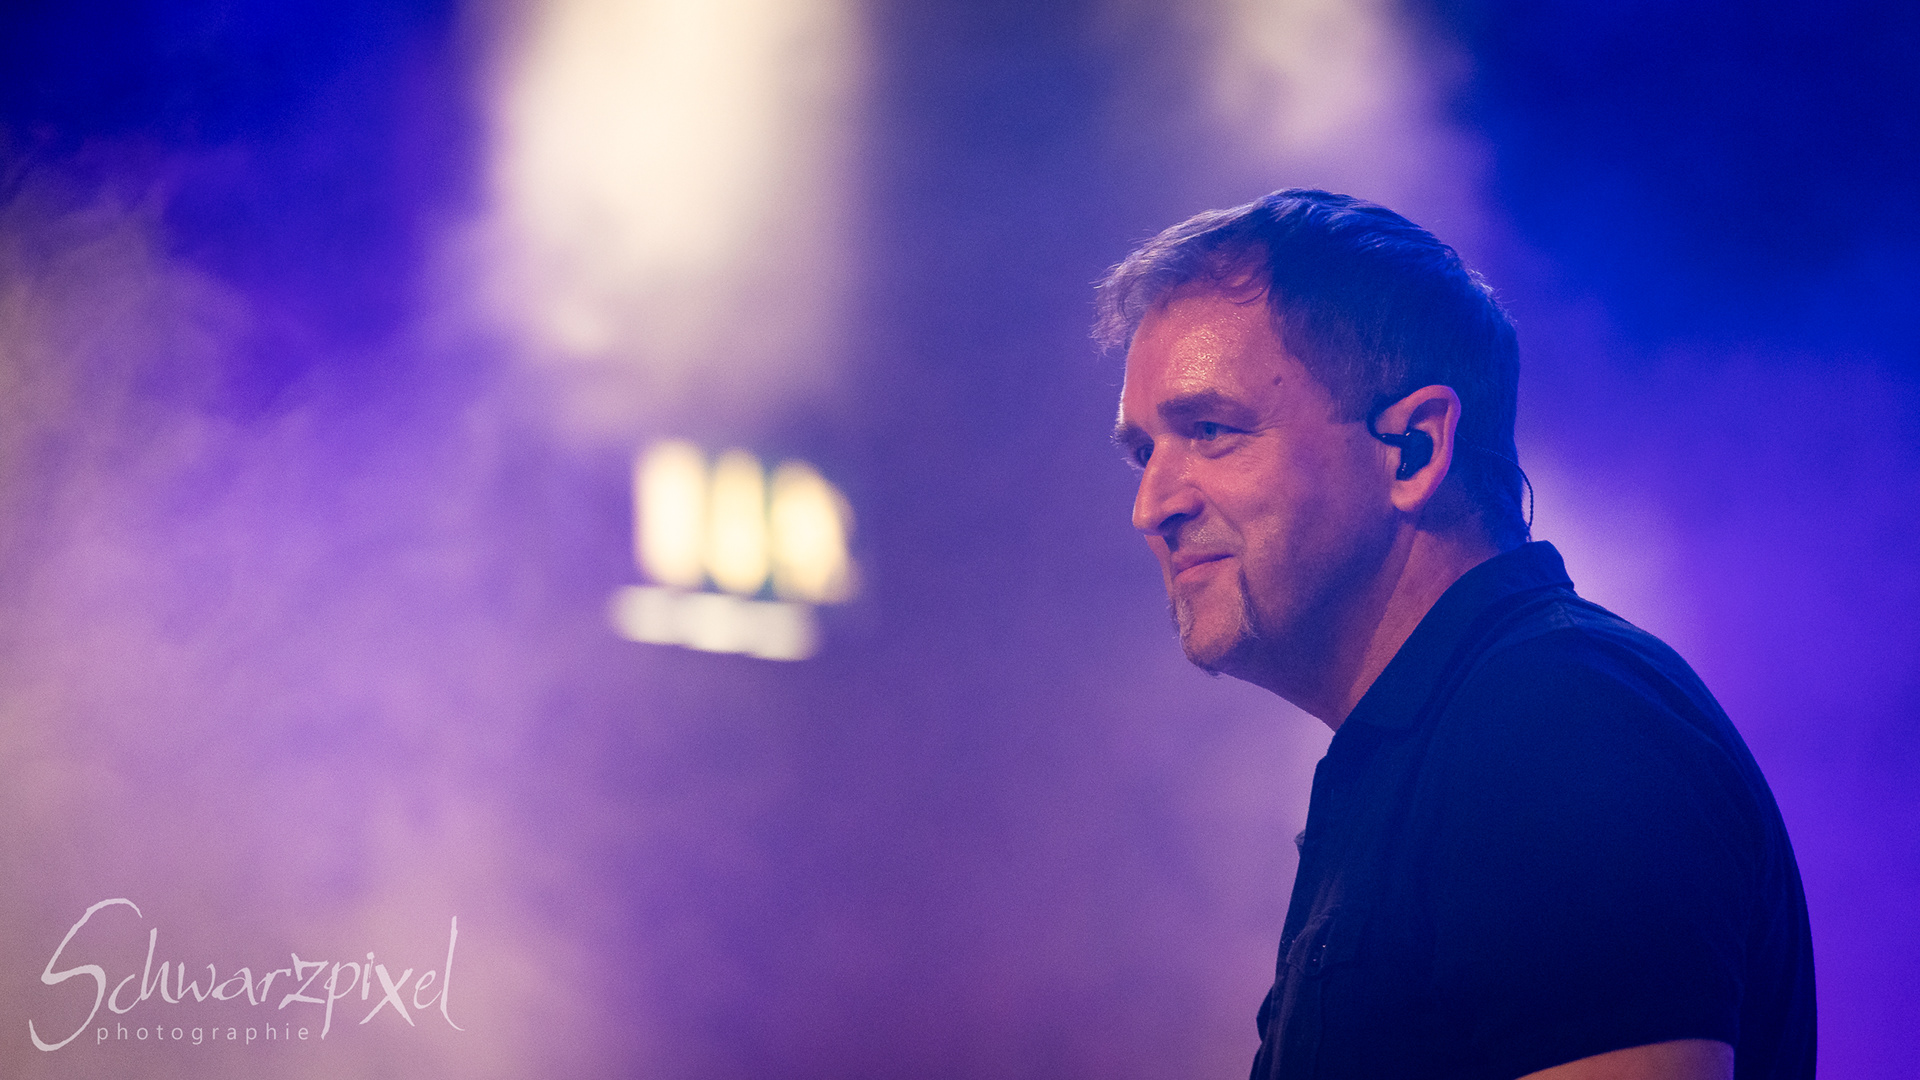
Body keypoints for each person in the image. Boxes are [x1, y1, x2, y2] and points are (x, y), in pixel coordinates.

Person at [1096, 190, 1814, 1079]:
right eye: (1145, 452)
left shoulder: (1556, 722)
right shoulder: (1467, 738)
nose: (1151, 506)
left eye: (1210, 431)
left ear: (1413, 450)